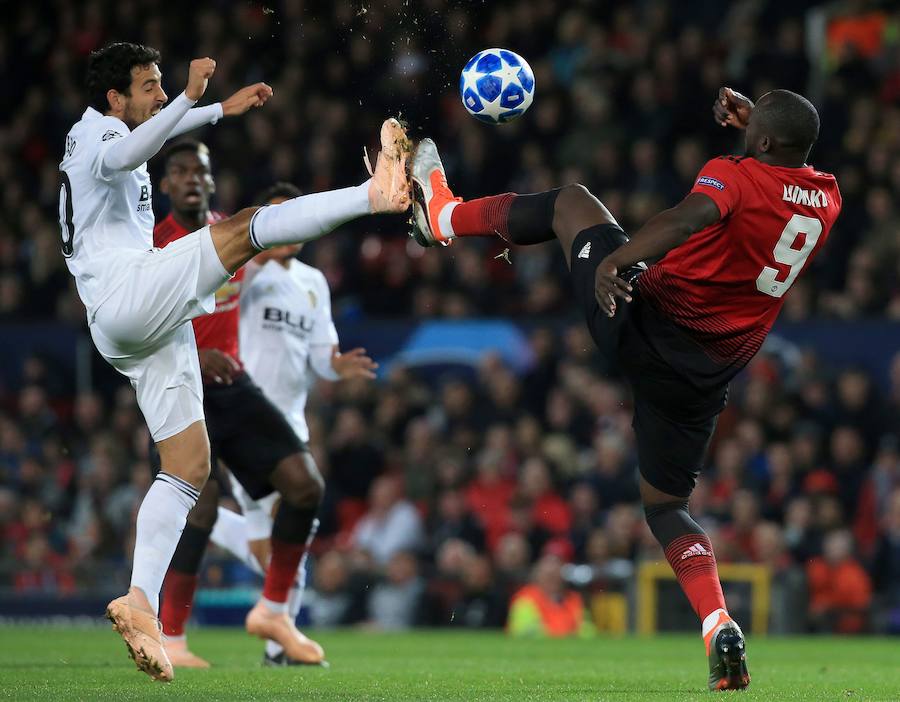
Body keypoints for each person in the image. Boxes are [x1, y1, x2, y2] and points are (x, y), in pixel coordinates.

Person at [408, 87, 841, 690]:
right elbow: (777, 178)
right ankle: (716, 622)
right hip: (703, 378)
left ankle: (443, 217)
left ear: (761, 141)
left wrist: (619, 262)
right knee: (666, 507)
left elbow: (688, 217)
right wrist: (759, 132)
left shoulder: (731, 175)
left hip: (643, 320)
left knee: (571, 203)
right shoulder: (829, 198)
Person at [60, 41, 409, 681]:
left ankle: (140, 602)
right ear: (114, 99)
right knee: (249, 226)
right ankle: (375, 194)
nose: (160, 96)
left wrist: (217, 108)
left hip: (132, 324)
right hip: (124, 291)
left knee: (188, 466)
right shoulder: (94, 133)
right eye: (150, 87)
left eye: (163, 87)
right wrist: (195, 99)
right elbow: (128, 151)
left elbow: (148, 141)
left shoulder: (116, 129)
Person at [207, 181, 377, 666]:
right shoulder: (246, 272)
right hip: (247, 422)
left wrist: (337, 367)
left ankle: (211, 526)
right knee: (290, 543)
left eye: (294, 216)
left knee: (281, 548)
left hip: (291, 427)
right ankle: (277, 645)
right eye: (276, 217)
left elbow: (321, 356)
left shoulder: (313, 282)